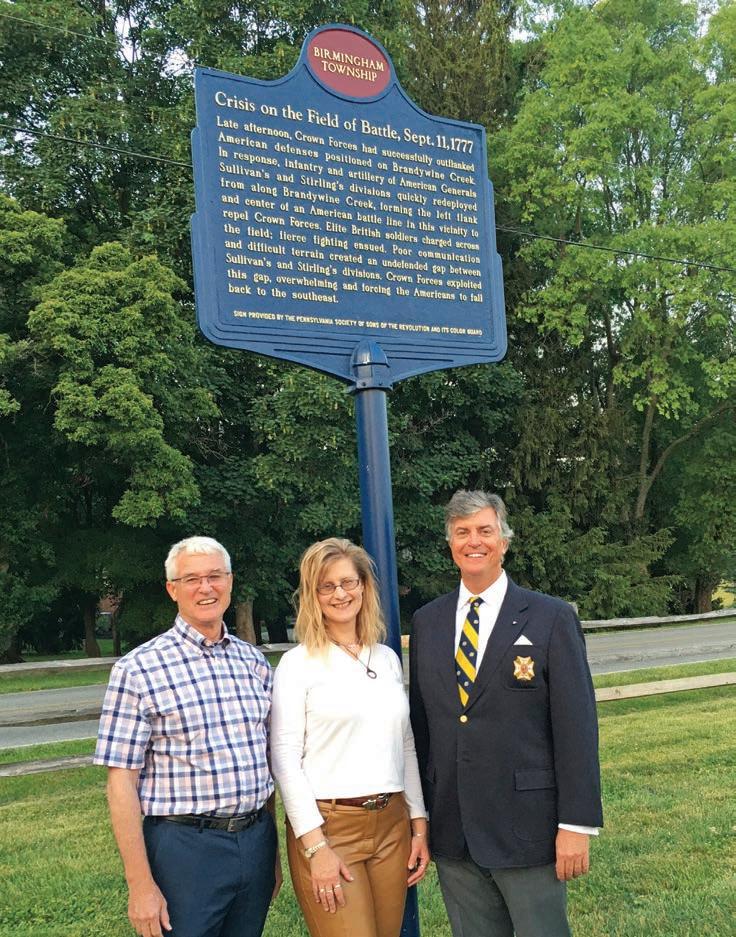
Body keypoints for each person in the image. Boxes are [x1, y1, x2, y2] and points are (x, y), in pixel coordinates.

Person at [409, 491, 603, 937]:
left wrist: (576, 824)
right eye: (462, 532)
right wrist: (420, 818)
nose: (473, 541)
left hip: (528, 826)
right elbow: (423, 727)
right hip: (454, 827)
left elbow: (576, 728)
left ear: (504, 541)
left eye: (485, 530)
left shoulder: (550, 617)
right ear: (450, 543)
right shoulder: (427, 621)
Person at [94, 536, 281, 937]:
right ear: (172, 589)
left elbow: (266, 761)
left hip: (256, 841)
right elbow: (120, 783)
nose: (205, 587)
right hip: (184, 849)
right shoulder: (138, 670)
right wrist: (140, 885)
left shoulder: (253, 662)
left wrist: (273, 855)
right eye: (192, 579)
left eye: (215, 576)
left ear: (230, 581)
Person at [271, 537, 429, 937]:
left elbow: (405, 744)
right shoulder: (297, 664)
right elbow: (285, 759)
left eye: (348, 582)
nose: (340, 594)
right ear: (312, 595)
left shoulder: (387, 658)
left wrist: (418, 823)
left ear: (364, 586)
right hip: (330, 826)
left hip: (392, 824)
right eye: (327, 586)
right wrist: (315, 846)